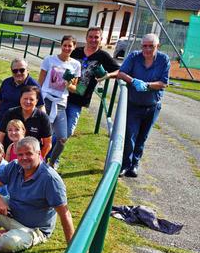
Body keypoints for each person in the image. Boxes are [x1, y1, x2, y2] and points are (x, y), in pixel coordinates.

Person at [0, 137, 74, 253]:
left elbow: (65, 214)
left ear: (39, 153)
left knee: (10, 243)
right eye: (20, 155)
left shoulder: (50, 179)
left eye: (28, 154)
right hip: (11, 215)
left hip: (34, 229)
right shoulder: (14, 166)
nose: (24, 158)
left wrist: (72, 248)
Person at [116, 33, 170, 178]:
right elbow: (121, 73)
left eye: (151, 46)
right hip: (134, 104)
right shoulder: (134, 57)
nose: (147, 49)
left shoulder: (163, 59)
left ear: (157, 46)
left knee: (142, 137)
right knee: (130, 135)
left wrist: (148, 85)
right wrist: (133, 81)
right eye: (144, 46)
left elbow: (163, 83)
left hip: (152, 106)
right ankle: (125, 165)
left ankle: (134, 165)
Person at [66, 27, 120, 138]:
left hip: (79, 99)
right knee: (55, 129)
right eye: (90, 37)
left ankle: (51, 154)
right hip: (63, 94)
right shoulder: (76, 51)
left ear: (101, 39)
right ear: (86, 37)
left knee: (68, 131)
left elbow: (119, 70)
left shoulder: (103, 56)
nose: (93, 40)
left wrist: (107, 75)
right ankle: (50, 155)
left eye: (96, 37)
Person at [38, 35, 81, 170]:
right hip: (46, 100)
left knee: (62, 138)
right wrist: (38, 100)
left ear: (74, 47)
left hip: (61, 103)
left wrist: (68, 84)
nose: (67, 48)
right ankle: (39, 162)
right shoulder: (49, 60)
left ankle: (52, 162)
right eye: (65, 45)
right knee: (42, 135)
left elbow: (75, 88)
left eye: (70, 46)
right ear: (61, 45)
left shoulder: (75, 64)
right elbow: (40, 81)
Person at [0, 59, 41, 137]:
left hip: (18, 130)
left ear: (27, 70)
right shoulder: (6, 82)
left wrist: (40, 128)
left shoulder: (34, 86)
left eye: (22, 70)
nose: (18, 73)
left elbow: (40, 107)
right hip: (0, 124)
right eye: (15, 71)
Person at [0, 85, 53, 158]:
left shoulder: (42, 117)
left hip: (32, 158)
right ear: (20, 99)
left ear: (36, 101)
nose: (28, 102)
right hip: (9, 155)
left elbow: (48, 144)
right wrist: (2, 158)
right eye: (25, 98)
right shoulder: (10, 113)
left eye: (31, 99)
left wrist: (38, 159)